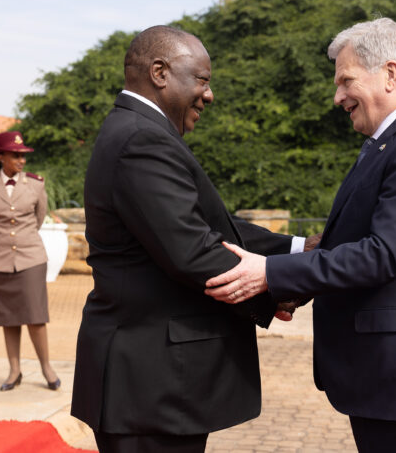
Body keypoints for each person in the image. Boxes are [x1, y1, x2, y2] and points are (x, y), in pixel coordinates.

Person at [205, 18, 396, 452]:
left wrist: (271, 274)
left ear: (390, 74)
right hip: (386, 376)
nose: (338, 97)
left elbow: (382, 255)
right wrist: (296, 283)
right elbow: (349, 243)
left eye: (346, 81)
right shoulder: (392, 142)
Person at [71, 25, 312, 453]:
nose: (209, 94)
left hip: (151, 382)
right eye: (202, 80)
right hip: (149, 383)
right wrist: (279, 283)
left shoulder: (141, 132)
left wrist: (297, 250)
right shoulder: (142, 138)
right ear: (160, 72)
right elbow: (192, 251)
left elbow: (207, 226)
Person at [0, 131, 60, 392]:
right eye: (16, 155)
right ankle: (14, 370)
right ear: (0, 156)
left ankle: (46, 367)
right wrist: (3, 243)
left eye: (23, 156)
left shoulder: (36, 185)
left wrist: (21, 240)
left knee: (35, 316)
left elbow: (38, 218)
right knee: (8, 317)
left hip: (30, 257)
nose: (21, 161)